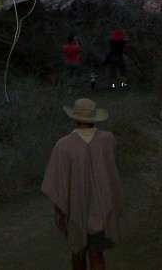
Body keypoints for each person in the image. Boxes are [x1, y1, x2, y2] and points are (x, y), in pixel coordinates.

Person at [42, 98, 124, 270]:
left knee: (77, 253)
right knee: (97, 254)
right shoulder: (108, 140)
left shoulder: (63, 146)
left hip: (75, 208)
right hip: (101, 208)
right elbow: (112, 172)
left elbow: (58, 183)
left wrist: (58, 211)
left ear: (75, 118)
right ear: (94, 118)